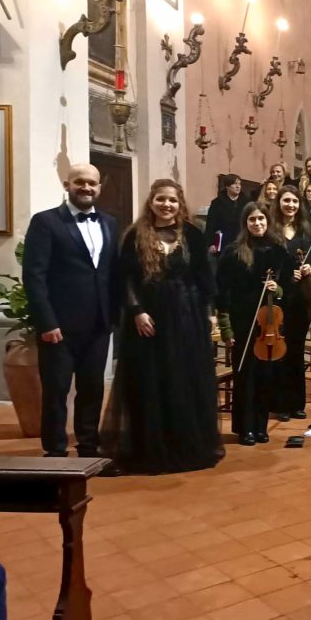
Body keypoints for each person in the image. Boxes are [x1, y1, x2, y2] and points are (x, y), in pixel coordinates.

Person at [100, 180, 223, 473]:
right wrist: (137, 311)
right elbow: (126, 278)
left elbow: (203, 277)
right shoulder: (135, 234)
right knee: (151, 378)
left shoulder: (192, 234)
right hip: (149, 317)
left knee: (183, 377)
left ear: (180, 204)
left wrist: (210, 313)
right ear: (151, 202)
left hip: (186, 315)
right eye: (160, 200)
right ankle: (150, 445)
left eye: (172, 200)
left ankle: (184, 443)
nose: (166, 205)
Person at [23, 164, 120, 459]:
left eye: (92, 183)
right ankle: (54, 451)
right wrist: (47, 322)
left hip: (98, 325)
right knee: (56, 392)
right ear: (67, 185)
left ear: (99, 188)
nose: (86, 188)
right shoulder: (46, 222)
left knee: (92, 389)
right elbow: (34, 276)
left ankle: (88, 446)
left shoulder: (110, 223)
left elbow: (112, 272)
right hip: (59, 327)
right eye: (80, 182)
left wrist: (115, 318)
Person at [216, 203, 290, 445]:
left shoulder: (278, 250)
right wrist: (226, 327)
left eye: (261, 219)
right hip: (242, 320)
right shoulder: (233, 251)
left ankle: (261, 425)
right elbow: (222, 292)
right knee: (245, 375)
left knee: (265, 375)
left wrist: (276, 288)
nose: (257, 223)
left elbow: (287, 287)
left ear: (267, 221)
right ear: (245, 223)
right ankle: (245, 427)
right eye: (252, 220)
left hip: (268, 323)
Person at [269, 186, 311, 421]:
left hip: (300, 299)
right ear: (278, 203)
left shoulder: (305, 231)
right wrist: (285, 277)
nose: (291, 205)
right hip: (278, 298)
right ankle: (280, 404)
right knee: (279, 351)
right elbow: (267, 265)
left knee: (297, 350)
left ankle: (297, 403)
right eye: (286, 201)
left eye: (295, 202)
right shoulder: (270, 231)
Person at [204, 173, 244, 257]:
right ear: (227, 186)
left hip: (242, 242)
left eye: (239, 184)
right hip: (223, 242)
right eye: (235, 184)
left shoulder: (246, 202)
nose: (238, 186)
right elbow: (211, 224)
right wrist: (211, 243)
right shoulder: (217, 203)